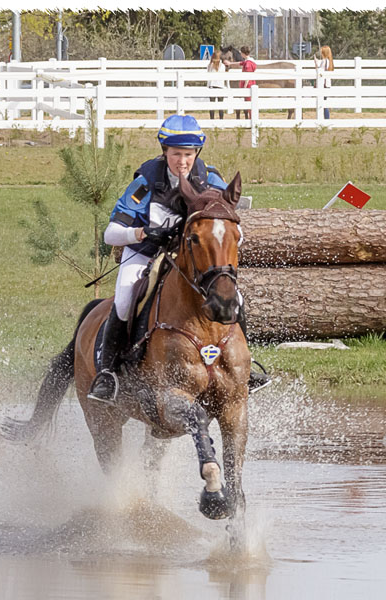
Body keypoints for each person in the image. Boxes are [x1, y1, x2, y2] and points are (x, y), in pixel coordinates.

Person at [87, 114, 270, 403]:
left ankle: (246, 367)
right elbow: (111, 233)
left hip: (190, 257)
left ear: (196, 153)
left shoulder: (210, 179)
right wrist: (141, 233)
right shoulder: (146, 182)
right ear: (165, 152)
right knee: (123, 298)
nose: (182, 161)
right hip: (145, 254)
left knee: (236, 298)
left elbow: (229, 226)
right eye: (176, 154)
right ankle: (109, 373)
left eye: (188, 154)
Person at [314, 45, 334, 120]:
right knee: (324, 103)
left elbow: (319, 71)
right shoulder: (329, 62)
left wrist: (316, 63)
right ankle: (326, 119)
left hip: (323, 85)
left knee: (323, 104)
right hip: (327, 84)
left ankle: (326, 119)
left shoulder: (324, 61)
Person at [207, 49, 226, 120]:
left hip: (212, 86)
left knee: (212, 105)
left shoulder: (210, 66)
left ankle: (212, 120)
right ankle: (221, 121)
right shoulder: (222, 66)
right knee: (220, 105)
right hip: (220, 86)